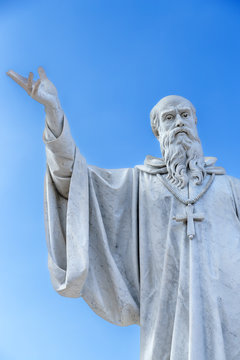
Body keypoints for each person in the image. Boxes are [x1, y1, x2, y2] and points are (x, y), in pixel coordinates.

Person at [7, 67, 240, 360]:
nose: (179, 122)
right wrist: (54, 111)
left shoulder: (230, 189)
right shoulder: (138, 184)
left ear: (195, 121)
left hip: (230, 318)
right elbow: (74, 180)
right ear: (158, 131)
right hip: (166, 317)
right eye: (169, 118)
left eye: (185, 115)